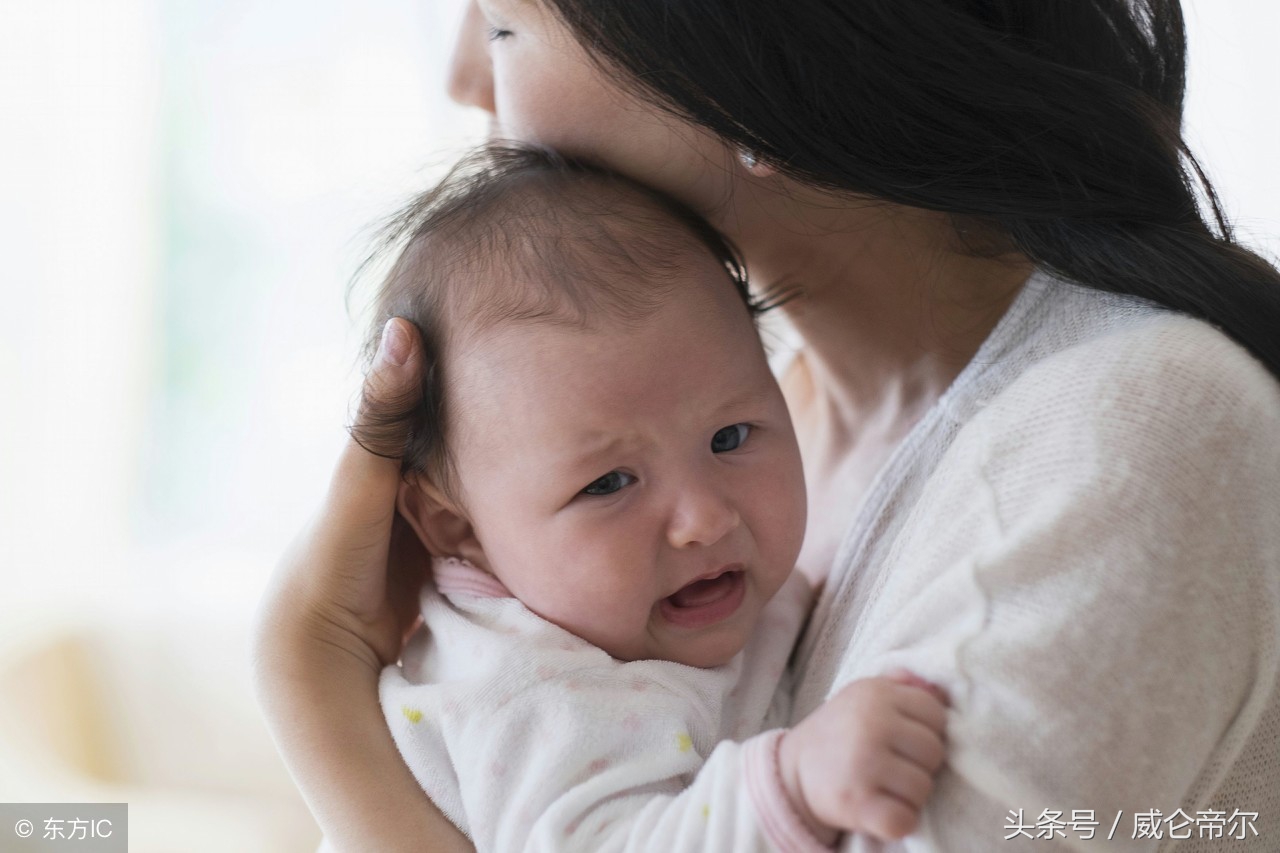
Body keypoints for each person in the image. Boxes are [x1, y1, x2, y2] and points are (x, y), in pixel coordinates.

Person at [252, 1, 1280, 850]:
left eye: (508, 25)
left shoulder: (1117, 437)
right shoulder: (756, 418)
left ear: (742, 61)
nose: (464, 78)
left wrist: (313, 679)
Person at [364, 142, 947, 850]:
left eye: (731, 436)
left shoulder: (634, 611)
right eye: (608, 484)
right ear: (459, 528)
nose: (704, 518)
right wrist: (787, 784)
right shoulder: (535, 691)